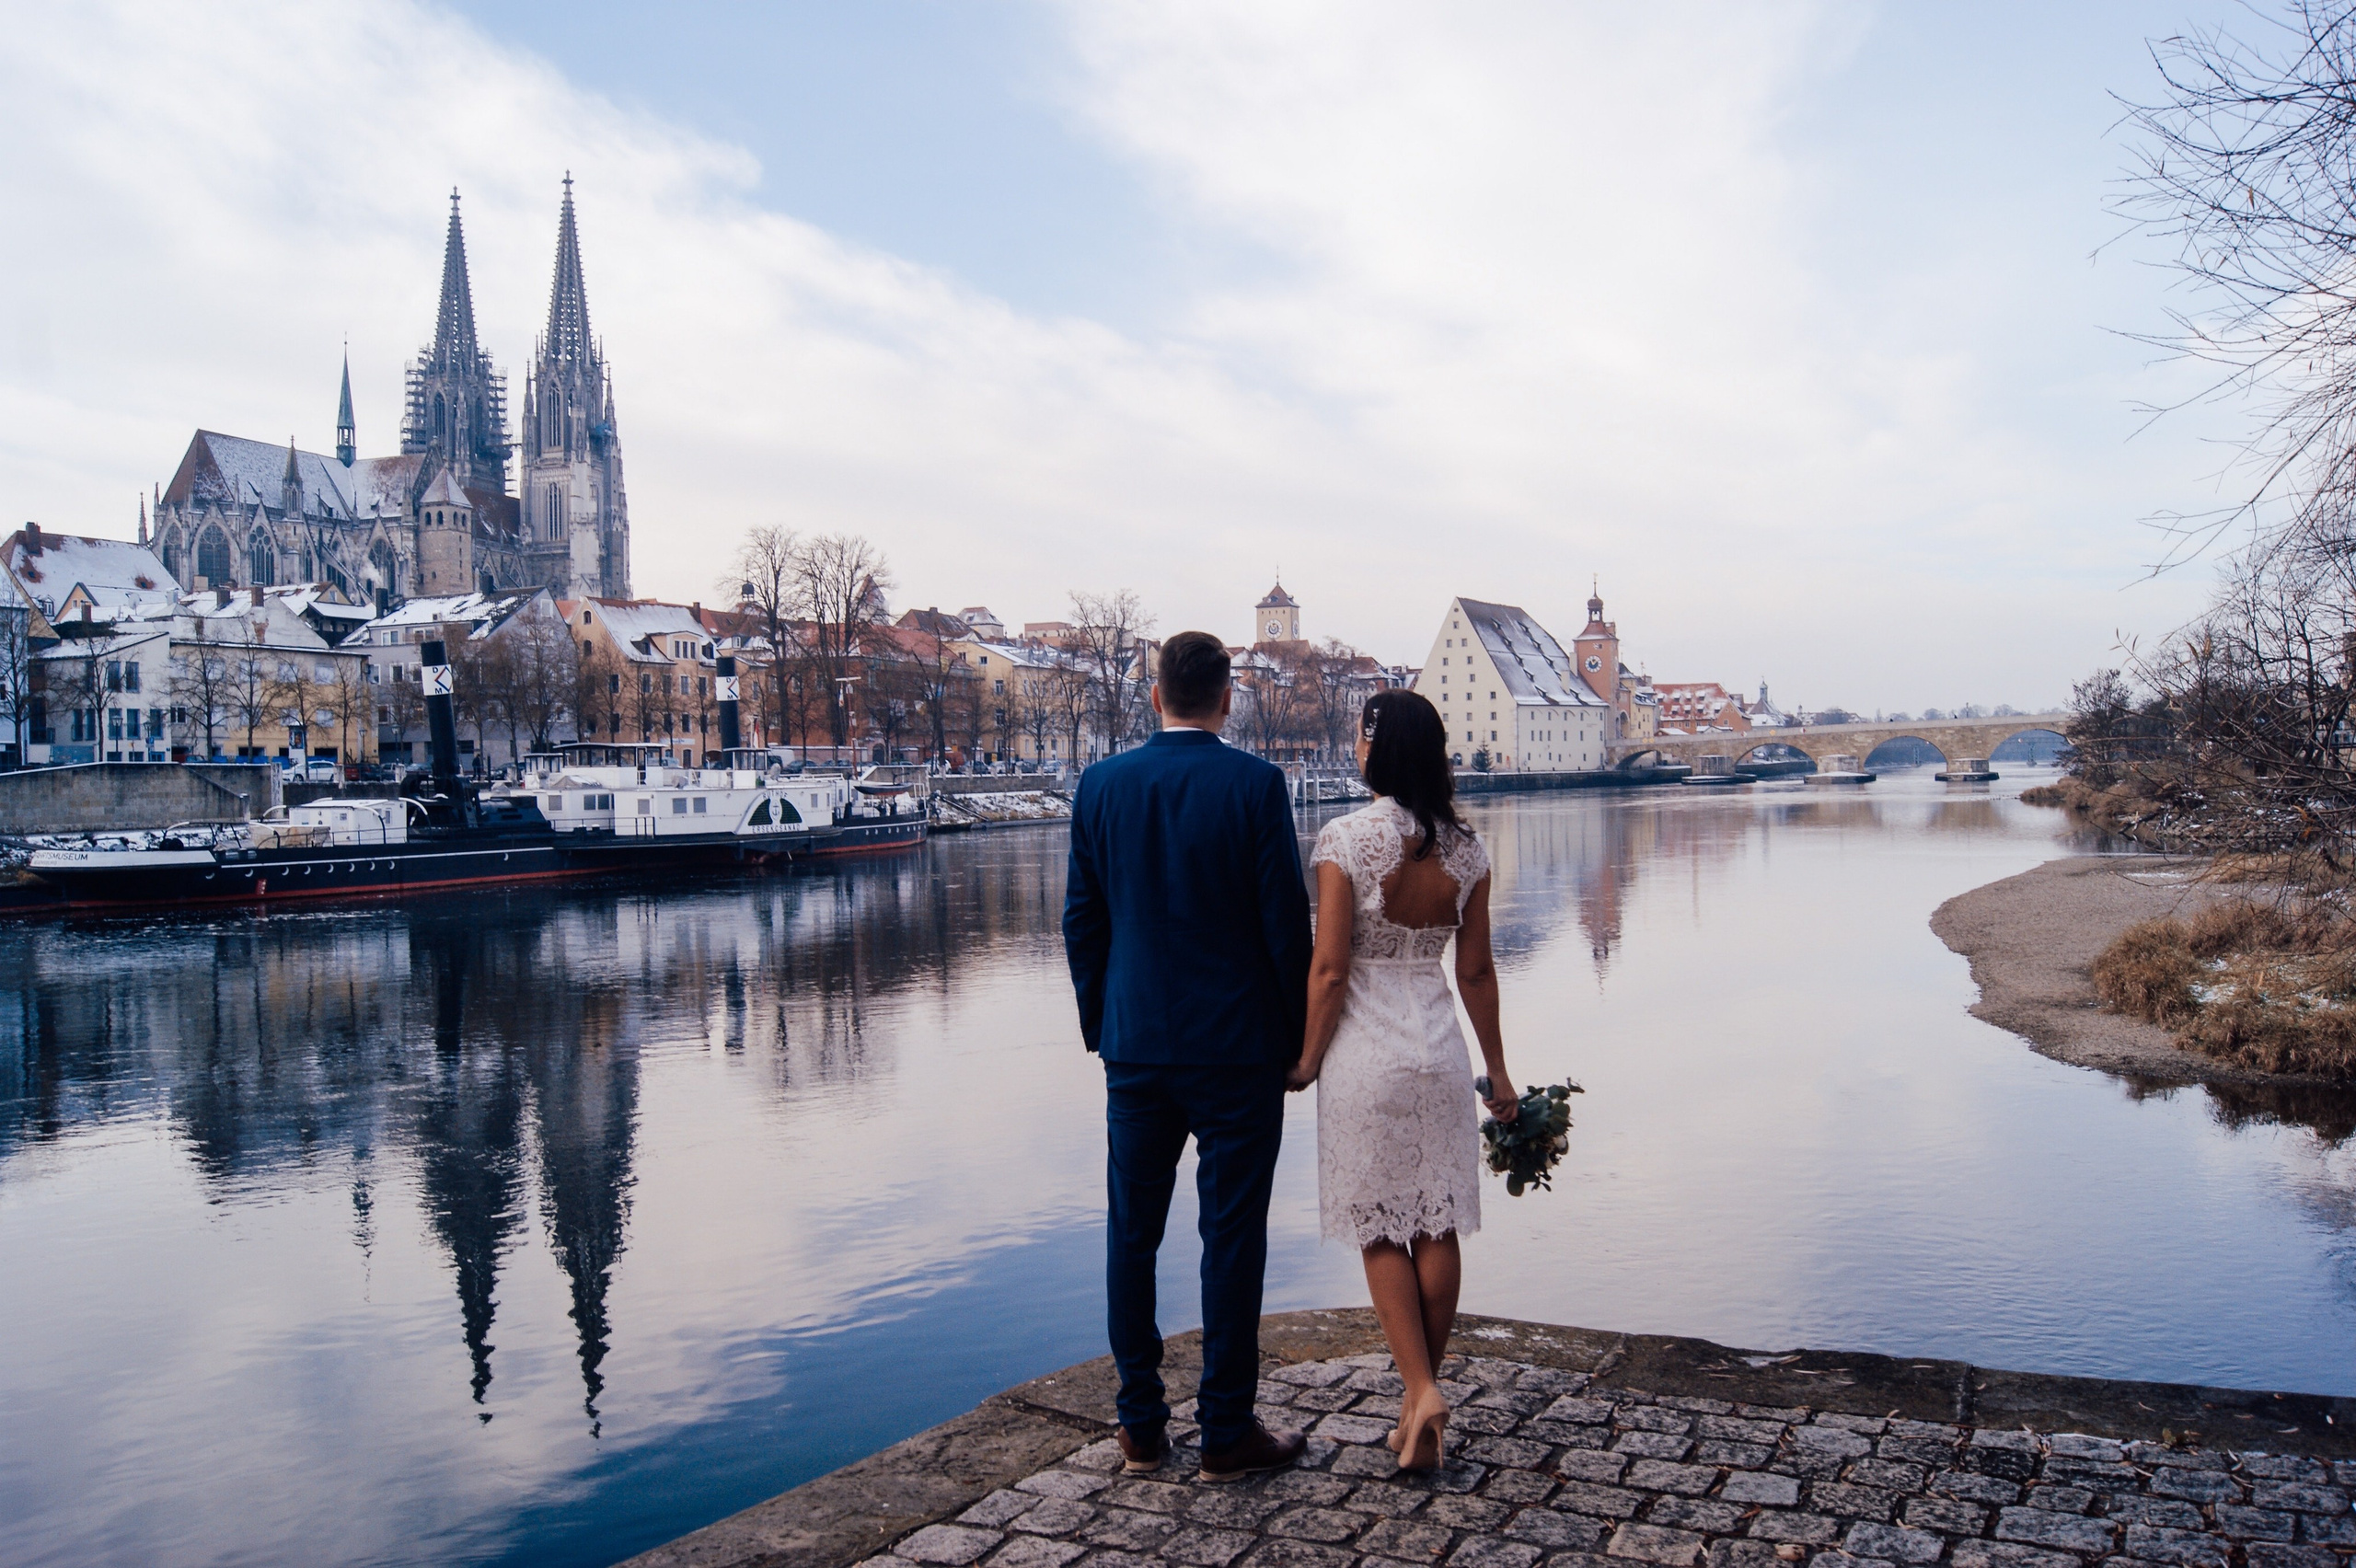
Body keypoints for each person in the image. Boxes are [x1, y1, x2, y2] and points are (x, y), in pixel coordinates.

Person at [1062, 630, 1312, 1483]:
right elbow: (1287, 925)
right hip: (1238, 1048)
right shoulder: (1256, 785)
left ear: (1156, 694)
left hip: (1136, 1048)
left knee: (1130, 1236)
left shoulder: (1100, 786)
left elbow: (1082, 921)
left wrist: (1105, 1025)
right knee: (1230, 1237)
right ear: (1226, 697)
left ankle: (1138, 1427)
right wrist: (1295, 1039)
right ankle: (1225, 1431)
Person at [1285, 688, 1519, 1473]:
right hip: (1440, 1047)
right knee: (1437, 1220)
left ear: (1376, 749)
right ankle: (1420, 1398)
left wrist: (1308, 1058)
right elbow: (1479, 971)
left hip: (1365, 1052)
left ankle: (1420, 1391)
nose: (1354, 746)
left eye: (1359, 736)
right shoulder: (1468, 852)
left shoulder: (1344, 839)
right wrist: (1499, 1072)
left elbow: (1328, 968)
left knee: (1381, 1223)